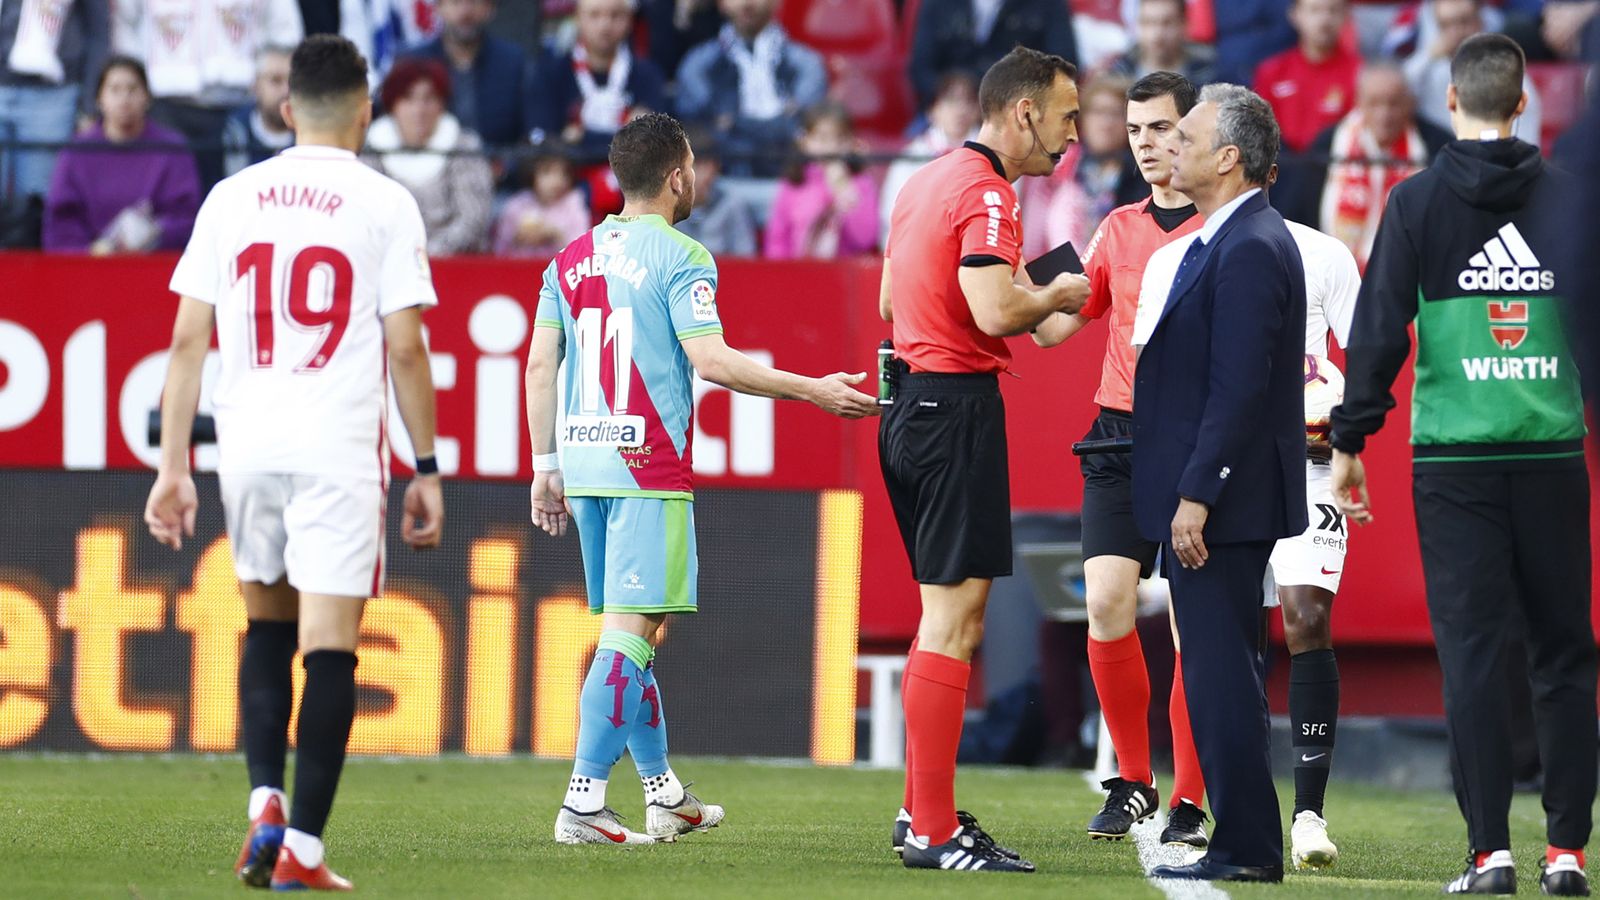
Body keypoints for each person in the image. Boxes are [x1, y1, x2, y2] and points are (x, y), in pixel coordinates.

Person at [527, 111, 878, 845]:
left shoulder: (567, 259)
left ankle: (664, 795)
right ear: (678, 175)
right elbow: (712, 361)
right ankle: (583, 802)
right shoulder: (683, 255)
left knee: (641, 629)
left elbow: (539, 364)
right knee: (628, 634)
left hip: (586, 462)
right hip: (645, 465)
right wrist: (814, 389)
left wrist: (544, 465)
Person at [144, 33, 444, 891]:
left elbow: (185, 340)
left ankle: (263, 803)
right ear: (367, 108)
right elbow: (408, 351)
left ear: (286, 109)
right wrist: (424, 465)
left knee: (265, 630)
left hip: (246, 443)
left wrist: (173, 467)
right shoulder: (385, 203)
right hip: (336, 446)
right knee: (329, 649)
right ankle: (304, 852)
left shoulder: (231, 197)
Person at [1331, 33, 1595, 896]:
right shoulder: (1570, 201)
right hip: (1552, 452)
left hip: (1455, 461)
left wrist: (1350, 438)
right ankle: (1567, 853)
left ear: (1450, 103)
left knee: (1476, 658)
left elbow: (1375, 335)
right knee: (1563, 655)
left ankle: (1491, 854)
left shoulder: (1413, 204)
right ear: (1525, 103)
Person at [880, 46, 1089, 874]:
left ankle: (918, 812)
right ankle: (932, 828)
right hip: (954, 409)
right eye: (1067, 116)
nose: (1072, 136)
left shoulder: (922, 181)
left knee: (943, 617)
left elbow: (892, 299)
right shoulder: (988, 190)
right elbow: (997, 307)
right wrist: (1059, 293)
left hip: (908, 404)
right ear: (1025, 112)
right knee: (955, 621)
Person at [1131, 83, 1306, 883]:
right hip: (1219, 496)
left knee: (1219, 673)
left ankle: (1245, 847)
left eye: (1188, 136)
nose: (1171, 145)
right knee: (1216, 670)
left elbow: (1239, 387)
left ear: (1229, 159)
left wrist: (1197, 493)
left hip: (1223, 505)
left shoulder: (1250, 246)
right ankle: (1245, 840)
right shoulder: (1229, 240)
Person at [1030, 70, 1209, 850]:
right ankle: (1134, 782)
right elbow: (1049, 329)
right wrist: (1022, 278)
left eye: (1162, 129)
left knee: (1195, 627)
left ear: (1194, 132)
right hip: (1118, 434)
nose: (1146, 144)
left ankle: (1191, 798)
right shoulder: (1117, 227)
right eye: (1135, 131)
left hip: (1200, 443)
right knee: (1106, 601)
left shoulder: (1226, 227)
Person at [113, 0, 305, 191]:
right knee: (173, 197)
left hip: (239, 101)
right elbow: (126, 21)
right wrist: (140, 80)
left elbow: (284, 27)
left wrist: (264, 71)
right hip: (166, 103)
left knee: (239, 196)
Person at [1283, 62, 1453, 267]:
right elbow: (1300, 217)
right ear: (1358, 102)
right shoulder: (1329, 145)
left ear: (1410, 103)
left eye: (1393, 103)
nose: (1384, 115)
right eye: (1374, 103)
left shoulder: (1436, 146)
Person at [43, 55, 200, 253]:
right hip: (88, 269)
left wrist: (154, 233)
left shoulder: (172, 149)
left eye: (132, 89)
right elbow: (60, 221)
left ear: (147, 97)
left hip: (155, 267)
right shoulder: (76, 152)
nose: (124, 99)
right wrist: (91, 252)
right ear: (100, 99)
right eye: (114, 90)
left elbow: (187, 217)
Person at [675, 0, 827, 176]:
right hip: (720, 180)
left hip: (793, 180)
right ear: (721, 4)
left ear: (777, 3)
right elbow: (696, 130)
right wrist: (782, 123)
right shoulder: (697, 65)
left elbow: (809, 128)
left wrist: (732, 123)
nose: (747, 3)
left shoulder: (808, 65)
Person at [364, 57, 493, 255]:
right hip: (386, 261)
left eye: (429, 98)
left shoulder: (465, 147)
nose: (419, 110)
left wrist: (427, 255)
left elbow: (472, 221)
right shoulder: (371, 149)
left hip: (453, 265)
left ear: (442, 104)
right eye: (408, 98)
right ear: (392, 105)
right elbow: (366, 218)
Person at [0, 0, 109, 227]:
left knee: (36, 202)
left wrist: (90, 104)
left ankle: (29, 258)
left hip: (52, 95)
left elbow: (98, 33)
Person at [530, 0, 667, 155]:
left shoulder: (648, 75)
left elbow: (656, 145)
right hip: (569, 176)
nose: (605, 25)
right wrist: (627, 135)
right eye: (594, 15)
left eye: (615, 15)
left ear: (630, 20)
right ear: (578, 18)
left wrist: (581, 137)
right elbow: (541, 140)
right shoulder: (551, 73)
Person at [1403, 0, 1543, 146]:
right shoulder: (1430, 70)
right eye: (1446, 26)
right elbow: (1396, 91)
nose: (1456, 33)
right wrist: (1429, 55)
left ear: (1480, 22)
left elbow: (1524, 138)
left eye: (1464, 22)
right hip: (1440, 157)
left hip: (1493, 159)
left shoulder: (1505, 69)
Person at [402, 0, 529, 148]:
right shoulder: (414, 62)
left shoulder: (513, 62)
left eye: (474, 2)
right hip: (430, 164)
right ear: (439, 8)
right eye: (456, 3)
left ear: (490, 8)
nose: (465, 12)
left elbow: (528, 130)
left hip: (500, 163)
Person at [907, 0, 1078, 109]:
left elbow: (1063, 67)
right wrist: (953, 99)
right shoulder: (937, 4)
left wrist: (1013, 100)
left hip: (1019, 109)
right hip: (951, 109)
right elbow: (921, 69)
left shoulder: (1048, 4)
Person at [764, 102, 878, 260]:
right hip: (799, 275)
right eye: (822, 139)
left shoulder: (862, 183)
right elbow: (777, 241)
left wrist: (843, 187)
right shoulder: (792, 183)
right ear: (805, 141)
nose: (831, 148)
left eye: (840, 139)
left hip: (846, 277)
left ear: (851, 142)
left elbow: (865, 239)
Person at [880, 72, 980, 248]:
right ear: (932, 110)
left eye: (968, 101)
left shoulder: (995, 156)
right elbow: (893, 216)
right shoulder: (911, 156)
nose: (960, 110)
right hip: (921, 253)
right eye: (950, 101)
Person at [1252, 0, 1359, 154]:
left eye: (1333, 11)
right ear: (1295, 15)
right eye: (1314, 10)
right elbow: (1260, 131)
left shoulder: (1359, 73)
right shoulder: (1272, 71)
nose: (1324, 19)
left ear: (1346, 16)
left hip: (1334, 163)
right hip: (1282, 167)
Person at [674, 128, 758, 257]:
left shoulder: (732, 204)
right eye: (696, 166)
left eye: (709, 166)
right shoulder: (665, 207)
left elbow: (746, 258)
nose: (704, 175)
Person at [492, 148, 591, 257]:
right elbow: (498, 250)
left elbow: (583, 254)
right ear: (533, 173)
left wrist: (555, 235)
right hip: (520, 270)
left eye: (563, 173)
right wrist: (516, 238)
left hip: (560, 271)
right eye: (547, 172)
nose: (556, 180)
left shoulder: (575, 204)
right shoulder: (516, 205)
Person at [1100, 0, 1215, 87]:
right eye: (1149, 23)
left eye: (1167, 23)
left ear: (1184, 24)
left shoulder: (1211, 72)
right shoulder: (1118, 74)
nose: (1157, 34)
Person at [223, 45, 295, 176]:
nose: (286, 91)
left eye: (293, 82)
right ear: (255, 85)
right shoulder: (229, 135)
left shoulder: (315, 139)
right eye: (276, 80)